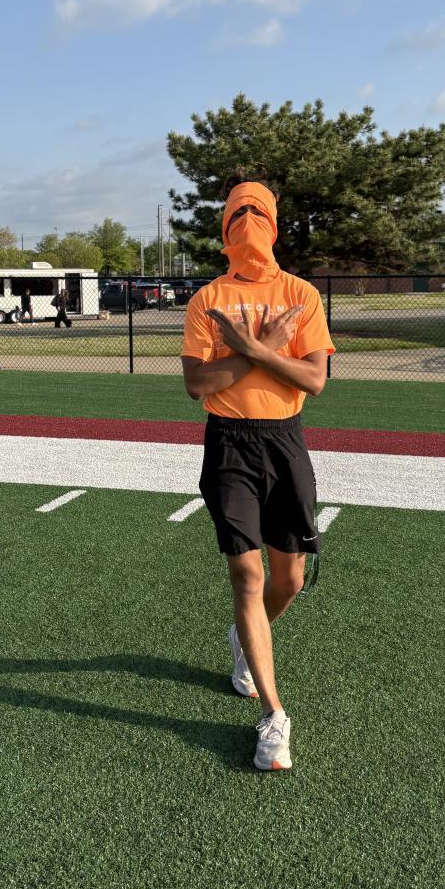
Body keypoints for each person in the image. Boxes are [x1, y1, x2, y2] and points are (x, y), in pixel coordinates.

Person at [181, 178, 334, 772]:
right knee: (247, 576)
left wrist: (253, 349)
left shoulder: (301, 294)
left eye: (258, 210)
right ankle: (273, 716)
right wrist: (263, 350)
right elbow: (198, 384)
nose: (248, 219)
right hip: (229, 444)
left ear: (274, 223)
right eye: (238, 210)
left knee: (288, 580)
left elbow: (313, 380)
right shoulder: (208, 299)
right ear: (225, 225)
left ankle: (245, 637)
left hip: (284, 441)